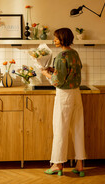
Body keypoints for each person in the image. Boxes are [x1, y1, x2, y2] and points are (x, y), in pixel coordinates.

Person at [41, 28, 86, 177]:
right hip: (76, 94)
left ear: (63, 39)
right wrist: (54, 69)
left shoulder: (61, 56)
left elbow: (58, 81)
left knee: (60, 128)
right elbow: (71, 71)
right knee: (78, 128)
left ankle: (58, 164)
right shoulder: (74, 53)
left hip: (64, 95)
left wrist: (45, 73)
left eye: (56, 38)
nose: (54, 40)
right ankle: (80, 165)